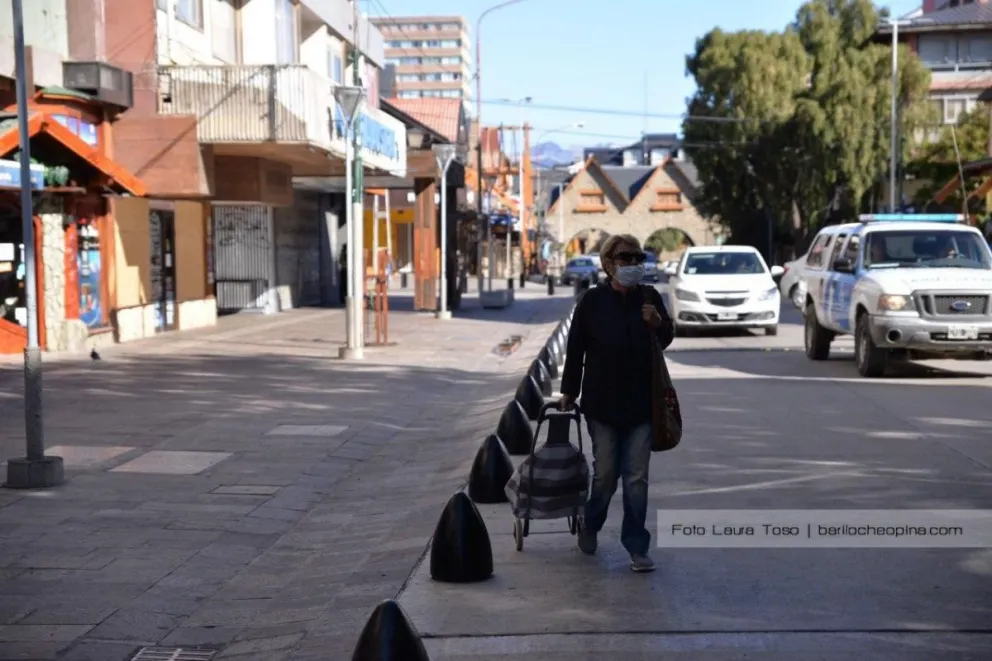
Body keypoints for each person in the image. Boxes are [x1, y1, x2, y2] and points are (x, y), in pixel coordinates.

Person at [559, 233, 675, 573]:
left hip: (641, 404)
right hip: (602, 404)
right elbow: (575, 348)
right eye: (626, 258)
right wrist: (569, 390)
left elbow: (666, 337)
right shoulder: (591, 302)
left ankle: (637, 546)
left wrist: (657, 324)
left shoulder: (650, 297)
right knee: (606, 475)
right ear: (609, 263)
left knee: (636, 478)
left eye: (639, 258)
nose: (634, 265)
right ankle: (591, 524)